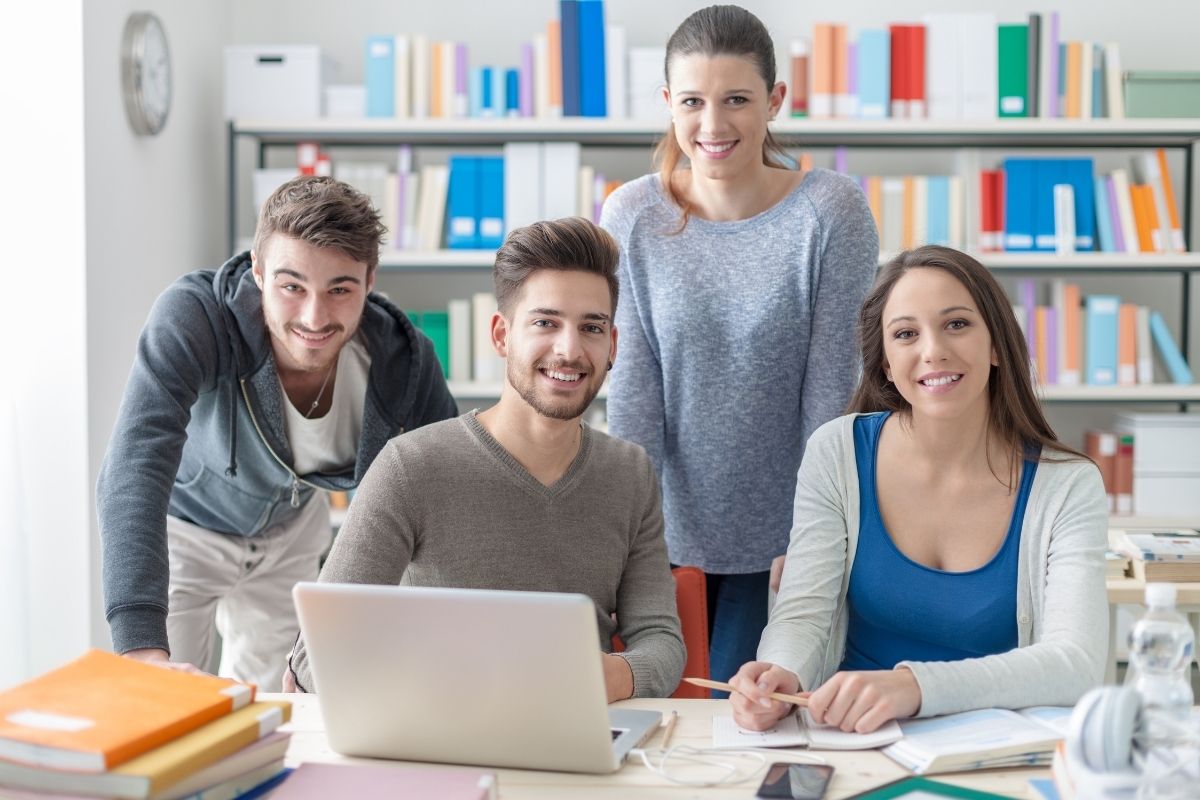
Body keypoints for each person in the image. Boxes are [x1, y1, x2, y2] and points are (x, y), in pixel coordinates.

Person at [285, 217, 686, 699]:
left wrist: (611, 676)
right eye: (545, 323)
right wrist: (462, 684)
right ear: (501, 335)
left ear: (612, 346)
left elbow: (660, 640)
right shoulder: (411, 466)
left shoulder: (629, 473)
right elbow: (316, 652)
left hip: (579, 725)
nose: (570, 349)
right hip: (439, 725)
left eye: (592, 327)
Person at [600, 4, 879, 690]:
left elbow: (831, 393)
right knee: (661, 714)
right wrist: (629, 547)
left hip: (784, 540)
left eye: (736, 100)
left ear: (774, 100)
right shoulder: (631, 214)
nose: (713, 125)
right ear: (668, 102)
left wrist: (813, 540)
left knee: (749, 711)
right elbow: (634, 396)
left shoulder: (830, 211)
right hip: (665, 537)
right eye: (692, 102)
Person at [97, 176, 458, 689]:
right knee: (162, 697)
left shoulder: (406, 360)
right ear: (259, 272)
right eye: (292, 287)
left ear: (370, 280)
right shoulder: (195, 316)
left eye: (340, 289)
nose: (314, 317)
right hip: (185, 532)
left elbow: (442, 502)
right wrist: (139, 645)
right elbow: (135, 463)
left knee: (277, 709)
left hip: (292, 533)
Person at [730, 246, 1109, 733]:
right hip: (856, 739)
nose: (933, 351)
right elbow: (803, 614)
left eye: (957, 324)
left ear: (997, 345)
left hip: (994, 746)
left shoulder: (1068, 484)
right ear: (886, 364)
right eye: (906, 334)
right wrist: (778, 675)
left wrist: (913, 689)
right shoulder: (836, 452)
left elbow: (1074, 663)